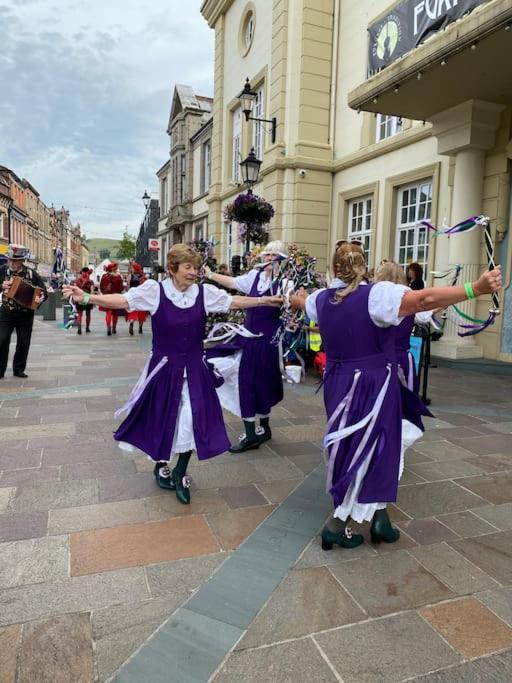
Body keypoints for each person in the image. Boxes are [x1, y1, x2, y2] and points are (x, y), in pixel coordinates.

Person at [291, 242, 501, 551]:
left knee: (352, 445)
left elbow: (300, 302)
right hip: (372, 382)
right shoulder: (376, 296)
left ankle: (373, 518)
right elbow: (424, 298)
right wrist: (476, 287)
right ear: (364, 267)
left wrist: (288, 297)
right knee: (375, 449)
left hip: (337, 382)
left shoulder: (319, 299)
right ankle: (339, 523)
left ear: (334, 269)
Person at [63, 244, 282, 505]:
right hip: (165, 369)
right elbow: (123, 300)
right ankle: (161, 465)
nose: (193, 272)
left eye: (196, 267)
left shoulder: (203, 293)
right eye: (187, 267)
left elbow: (233, 300)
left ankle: (180, 472)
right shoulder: (156, 291)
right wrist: (87, 297)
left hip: (195, 369)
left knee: (193, 418)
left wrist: (264, 300)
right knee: (166, 419)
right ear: (172, 269)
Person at [204, 240, 288, 453]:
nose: (269, 259)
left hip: (269, 340)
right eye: (267, 255)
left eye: (274, 255)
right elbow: (233, 283)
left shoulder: (286, 282)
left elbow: (290, 307)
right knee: (246, 381)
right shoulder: (255, 276)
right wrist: (210, 274)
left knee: (264, 382)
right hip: (249, 337)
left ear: (283, 259)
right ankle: (252, 433)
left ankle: (263, 429)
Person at [0, 244, 47, 379]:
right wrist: (1, 286)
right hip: (6, 312)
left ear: (22, 261)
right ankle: (0, 370)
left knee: (23, 342)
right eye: (10, 259)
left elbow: (43, 291)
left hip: (25, 314)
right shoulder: (2, 271)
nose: (12, 263)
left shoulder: (32, 274)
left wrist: (41, 297)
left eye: (15, 260)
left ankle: (19, 369)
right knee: (2, 340)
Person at [99, 262, 124, 335]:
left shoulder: (104, 276)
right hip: (115, 296)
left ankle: (108, 327)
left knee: (108, 312)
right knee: (115, 313)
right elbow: (121, 288)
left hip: (107, 296)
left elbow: (101, 287)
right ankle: (114, 328)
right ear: (114, 268)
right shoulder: (118, 277)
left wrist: (105, 292)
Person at [126, 263, 148, 335]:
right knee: (141, 311)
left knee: (133, 310)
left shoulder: (130, 276)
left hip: (133, 295)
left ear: (134, 269)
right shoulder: (143, 276)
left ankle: (132, 322)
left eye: (132, 268)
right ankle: (140, 327)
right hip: (141, 295)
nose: (132, 269)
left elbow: (128, 285)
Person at [75, 267, 95, 335]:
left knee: (79, 314)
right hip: (87, 298)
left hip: (80, 297)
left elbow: (75, 289)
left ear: (82, 272)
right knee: (88, 314)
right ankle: (87, 328)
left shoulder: (77, 280)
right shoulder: (90, 281)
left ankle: (79, 328)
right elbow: (92, 291)